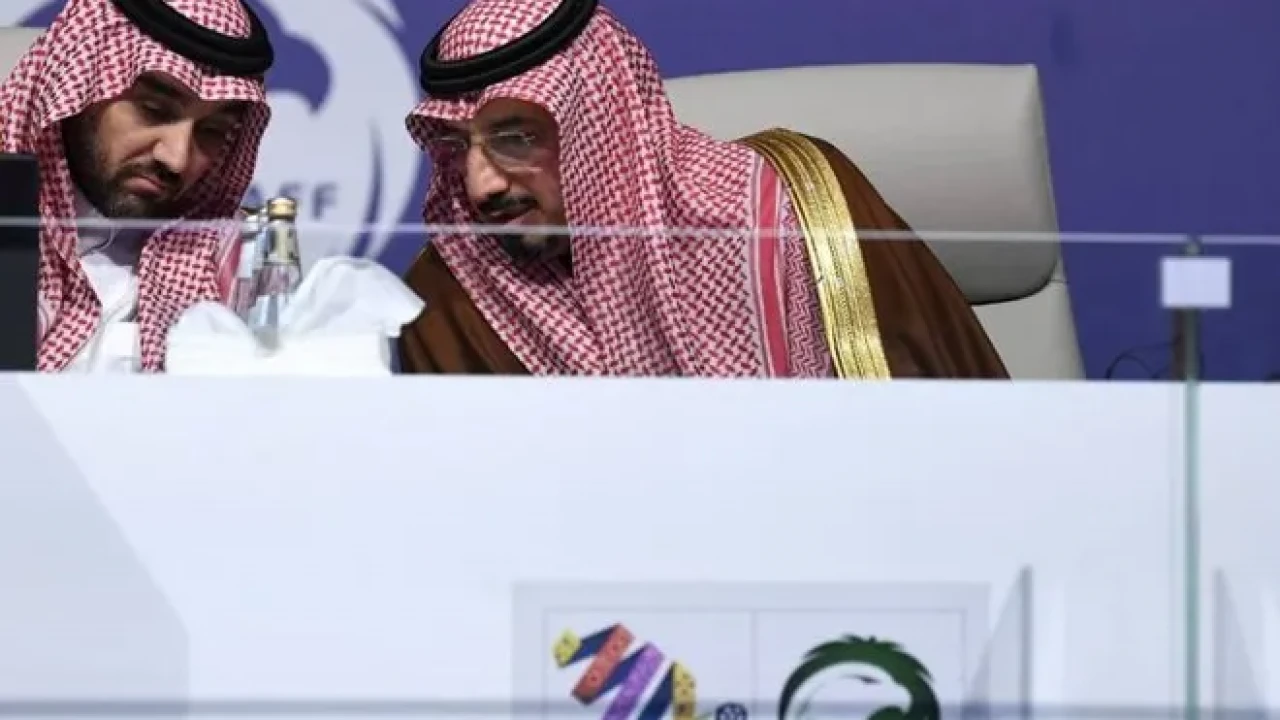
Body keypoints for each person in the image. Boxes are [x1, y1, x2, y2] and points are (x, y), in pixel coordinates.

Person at [398, 0, 1009, 379]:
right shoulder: (447, 300)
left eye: (516, 138)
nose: (479, 185)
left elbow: (960, 440)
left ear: (600, 126)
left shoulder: (803, 203)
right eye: (457, 145)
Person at [0, 0, 274, 372]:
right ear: (81, 84)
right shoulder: (10, 230)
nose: (176, 159)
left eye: (213, 131)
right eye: (154, 111)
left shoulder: (236, 262)